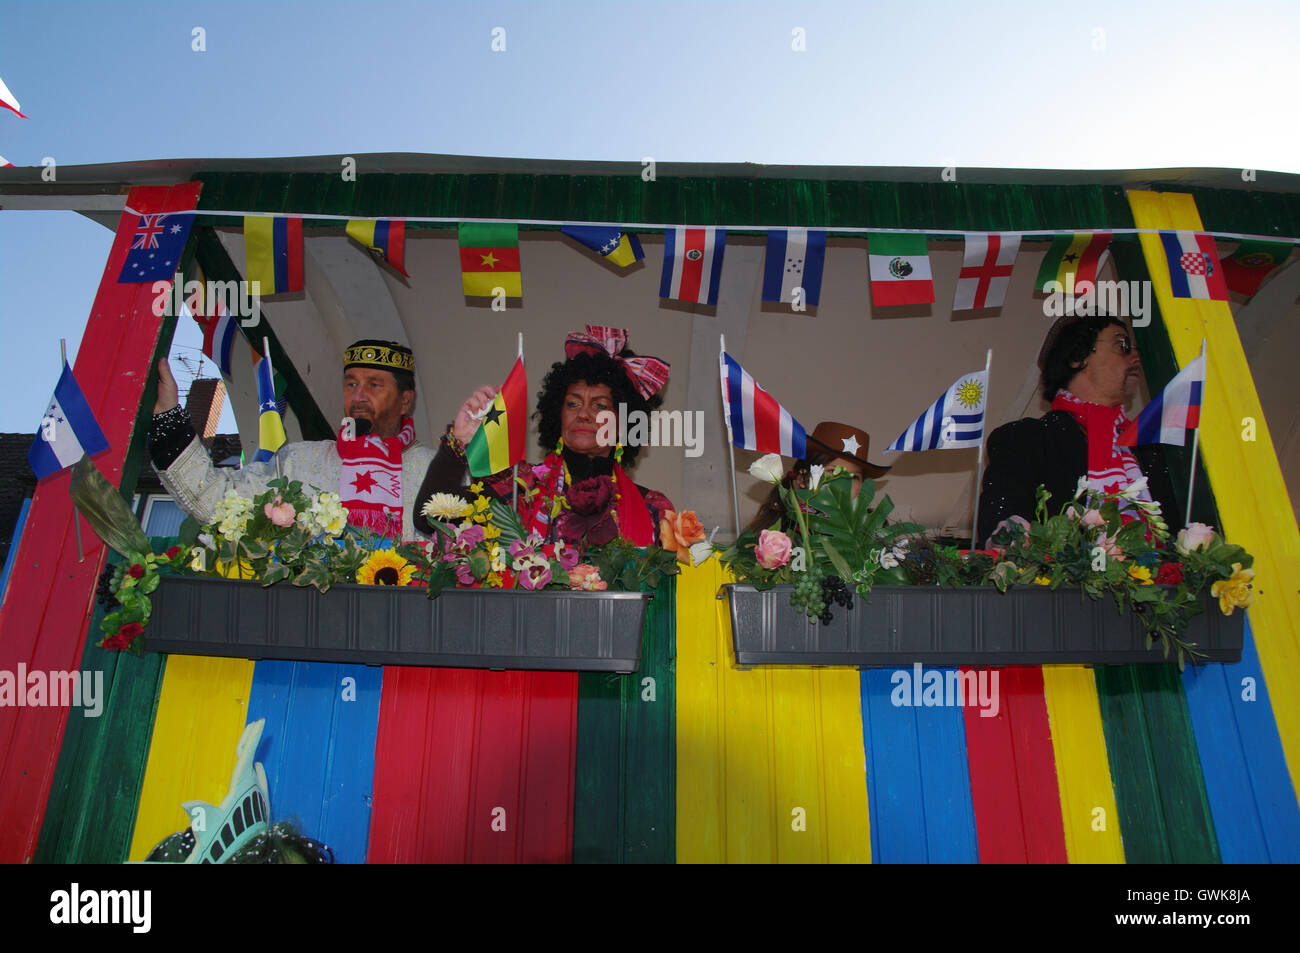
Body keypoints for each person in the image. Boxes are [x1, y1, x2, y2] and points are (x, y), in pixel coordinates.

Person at [149, 339, 434, 541]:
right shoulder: (299, 461)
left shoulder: (434, 470)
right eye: (351, 384)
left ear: (405, 401)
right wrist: (168, 420)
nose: (358, 396)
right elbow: (217, 501)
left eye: (374, 385)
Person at [415, 325, 672, 545]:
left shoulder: (651, 508)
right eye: (573, 403)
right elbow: (429, 519)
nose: (583, 414)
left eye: (600, 406)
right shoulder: (519, 488)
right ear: (556, 415)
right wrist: (457, 442)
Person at [976, 315, 1183, 545]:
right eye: (1121, 345)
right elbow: (1004, 527)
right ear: (1077, 357)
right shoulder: (1026, 438)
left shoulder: (1151, 448)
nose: (1136, 357)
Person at [746, 421, 891, 534]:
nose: (844, 483)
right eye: (833, 471)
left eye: (853, 477)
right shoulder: (777, 533)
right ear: (802, 478)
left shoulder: (873, 531)